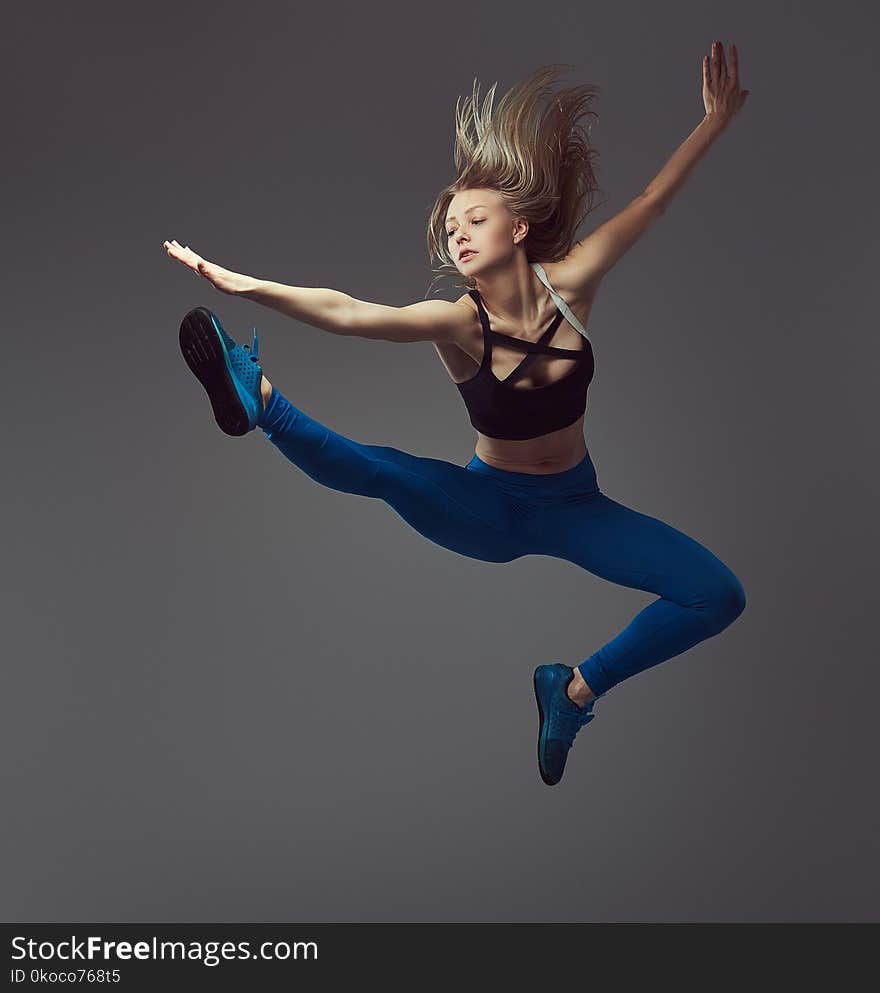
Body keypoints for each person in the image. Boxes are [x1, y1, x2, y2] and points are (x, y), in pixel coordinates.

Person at [164, 48, 750, 786]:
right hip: (488, 508)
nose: (458, 233)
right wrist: (243, 284)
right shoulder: (458, 322)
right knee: (387, 472)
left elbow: (654, 201)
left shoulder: (575, 282)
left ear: (520, 229)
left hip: (576, 505)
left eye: (475, 217)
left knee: (717, 594)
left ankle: (571, 690)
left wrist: (714, 121)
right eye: (450, 227)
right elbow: (349, 312)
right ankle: (262, 399)